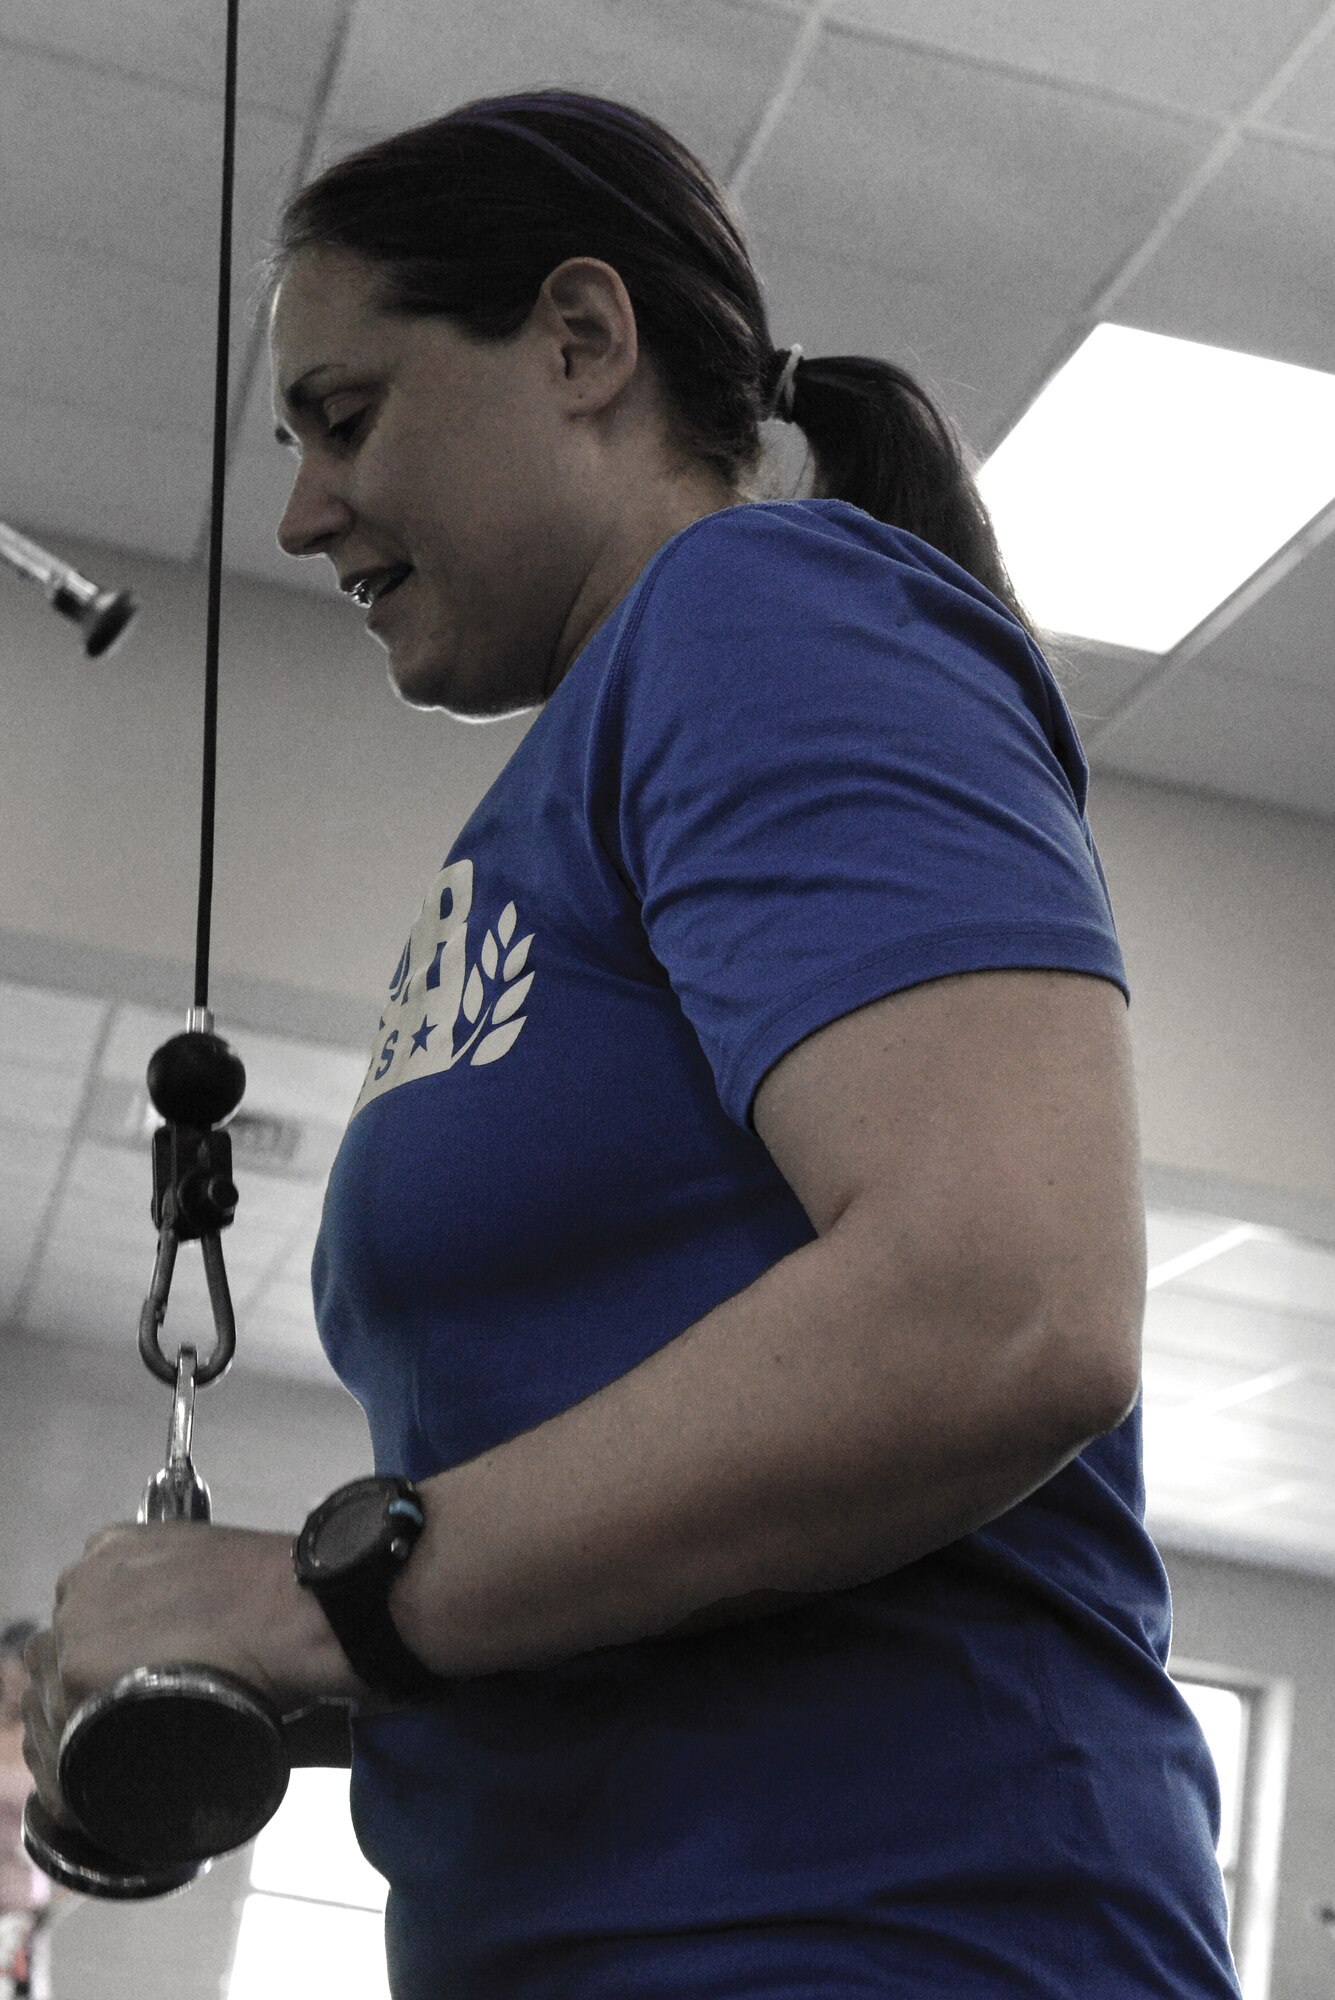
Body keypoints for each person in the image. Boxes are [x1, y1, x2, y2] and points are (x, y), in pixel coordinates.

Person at [20, 87, 1243, 2000]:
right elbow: (659, 1576)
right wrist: (248, 1655)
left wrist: (328, 1606)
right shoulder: (583, 771)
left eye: (349, 418)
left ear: (583, 343)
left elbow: (1009, 1299)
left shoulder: (766, 614)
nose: (299, 508)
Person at [2, 1622, 76, 1999]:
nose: (17, 1689)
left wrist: (44, 1909)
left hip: (19, 1914)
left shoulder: (48, 1742)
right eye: (12, 1677)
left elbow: (77, 1837)